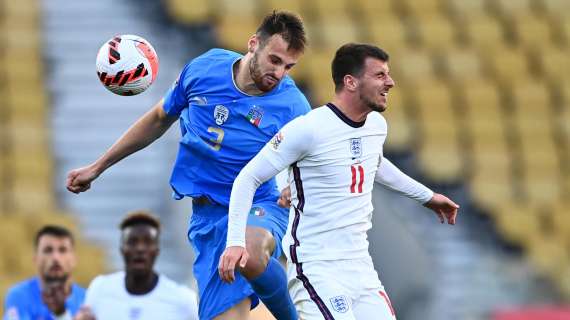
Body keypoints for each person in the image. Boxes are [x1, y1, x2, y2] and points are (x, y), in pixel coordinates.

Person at [66, 11, 310, 320]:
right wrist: (98, 167)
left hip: (258, 204)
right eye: (275, 60)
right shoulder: (205, 69)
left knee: (248, 250)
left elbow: (319, 157)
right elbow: (158, 118)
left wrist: (296, 185)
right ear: (253, 44)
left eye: (289, 67)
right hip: (207, 218)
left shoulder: (292, 105)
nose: (279, 73)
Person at [219, 43, 460, 320]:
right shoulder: (308, 129)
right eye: (380, 75)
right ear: (351, 81)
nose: (390, 82)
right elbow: (248, 178)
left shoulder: (376, 127)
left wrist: (427, 197)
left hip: (361, 267)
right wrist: (235, 241)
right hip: (316, 268)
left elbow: (375, 164)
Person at [73, 211, 198, 320]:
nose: (140, 249)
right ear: (122, 249)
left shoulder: (183, 299)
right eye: (132, 242)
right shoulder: (99, 288)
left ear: (157, 250)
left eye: (148, 242)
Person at [4, 225, 85, 320]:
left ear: (74, 259)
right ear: (35, 258)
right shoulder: (19, 296)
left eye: (63, 250)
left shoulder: (86, 300)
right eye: (48, 250)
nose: (56, 257)